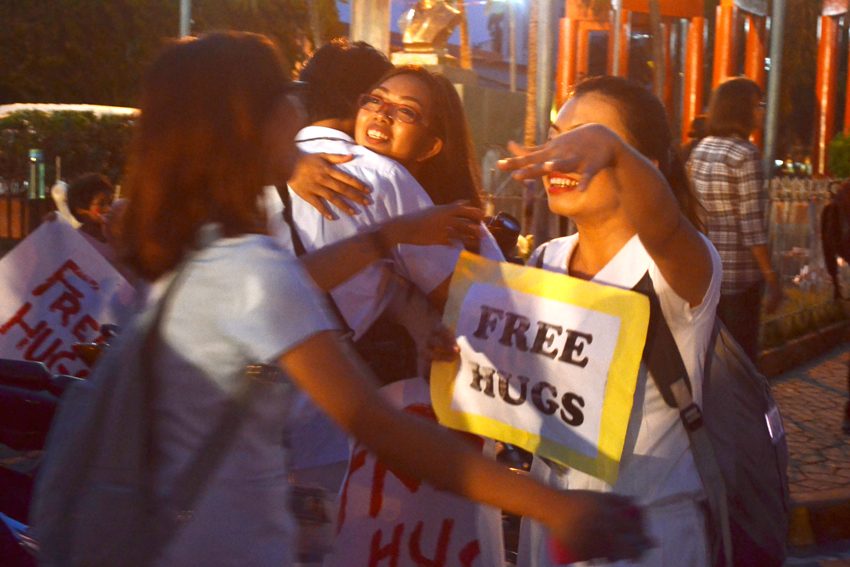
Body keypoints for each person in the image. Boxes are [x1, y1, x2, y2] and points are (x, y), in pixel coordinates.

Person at [117, 32, 650, 566]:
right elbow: (380, 426)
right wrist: (555, 507)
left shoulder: (204, 253)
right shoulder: (255, 266)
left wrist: (387, 242)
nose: (304, 112)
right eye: (284, 96)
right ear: (247, 127)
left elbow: (302, 280)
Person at [498, 75, 722, 567]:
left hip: (647, 534)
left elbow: (664, 223)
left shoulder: (678, 266)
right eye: (558, 136)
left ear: (648, 165)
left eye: (587, 141)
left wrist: (614, 152)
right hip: (556, 527)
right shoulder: (543, 262)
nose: (562, 154)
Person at [687, 77, 781, 361]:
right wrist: (772, 278)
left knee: (709, 357)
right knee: (741, 359)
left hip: (704, 272)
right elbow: (752, 228)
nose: (761, 112)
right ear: (740, 109)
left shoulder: (702, 148)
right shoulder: (745, 154)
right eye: (757, 105)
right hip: (738, 279)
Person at [66, 172, 116, 261]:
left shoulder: (115, 237)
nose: (108, 209)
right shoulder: (74, 243)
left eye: (110, 203)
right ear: (80, 208)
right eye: (101, 204)